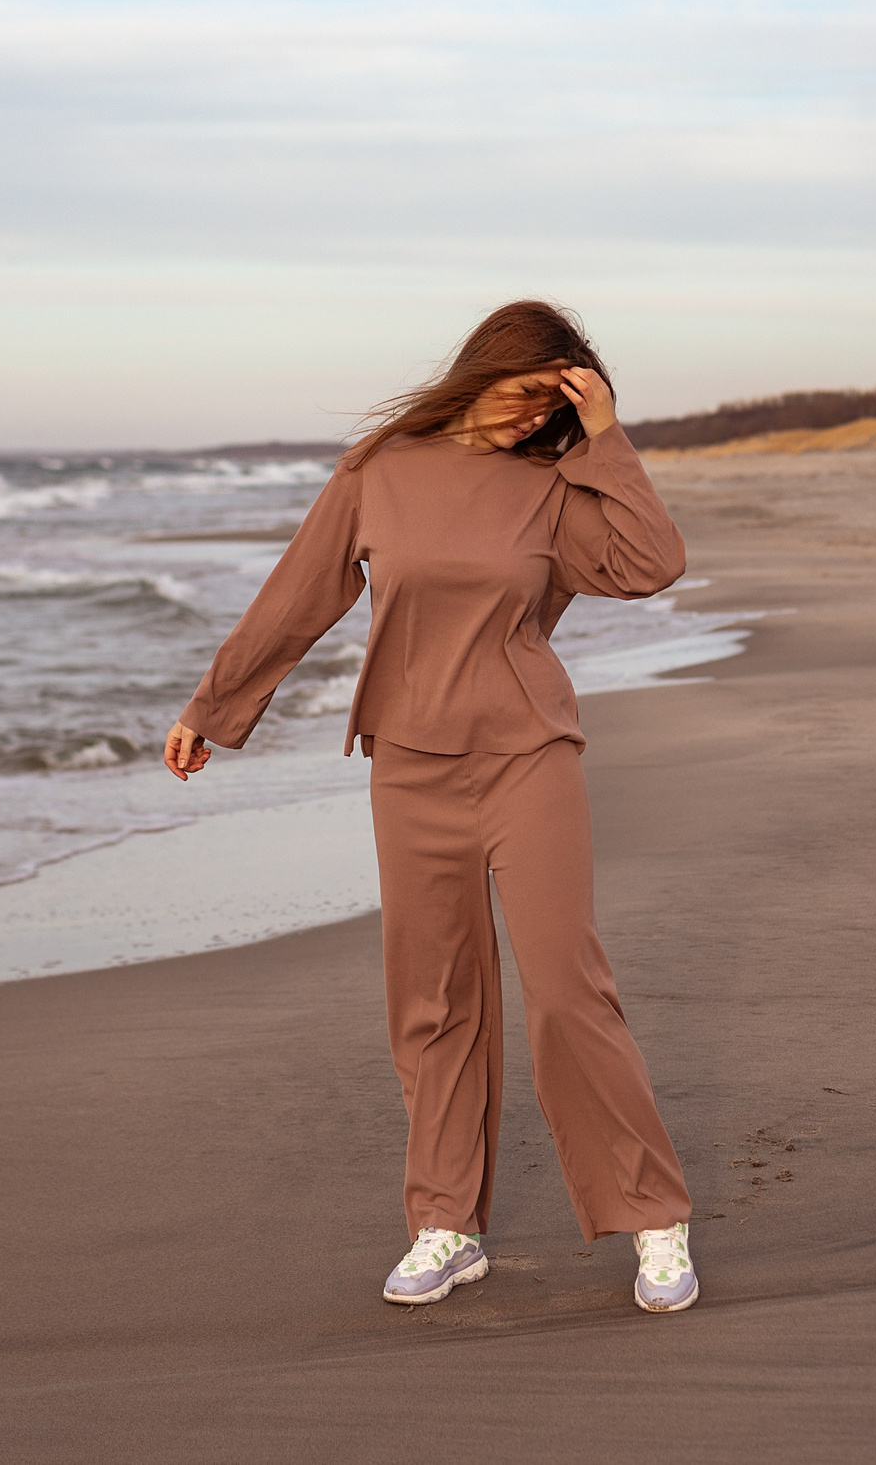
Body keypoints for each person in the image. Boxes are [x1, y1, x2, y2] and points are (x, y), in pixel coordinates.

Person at [163, 300, 700, 1315]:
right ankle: (444, 1225)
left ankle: (654, 1218)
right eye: (523, 390)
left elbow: (652, 562)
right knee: (433, 1000)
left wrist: (603, 437)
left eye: (553, 399)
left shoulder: (554, 484)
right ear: (480, 371)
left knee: (564, 990)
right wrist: (215, 706)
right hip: (408, 763)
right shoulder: (380, 471)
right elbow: (296, 596)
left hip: (528, 754)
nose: (528, 414)